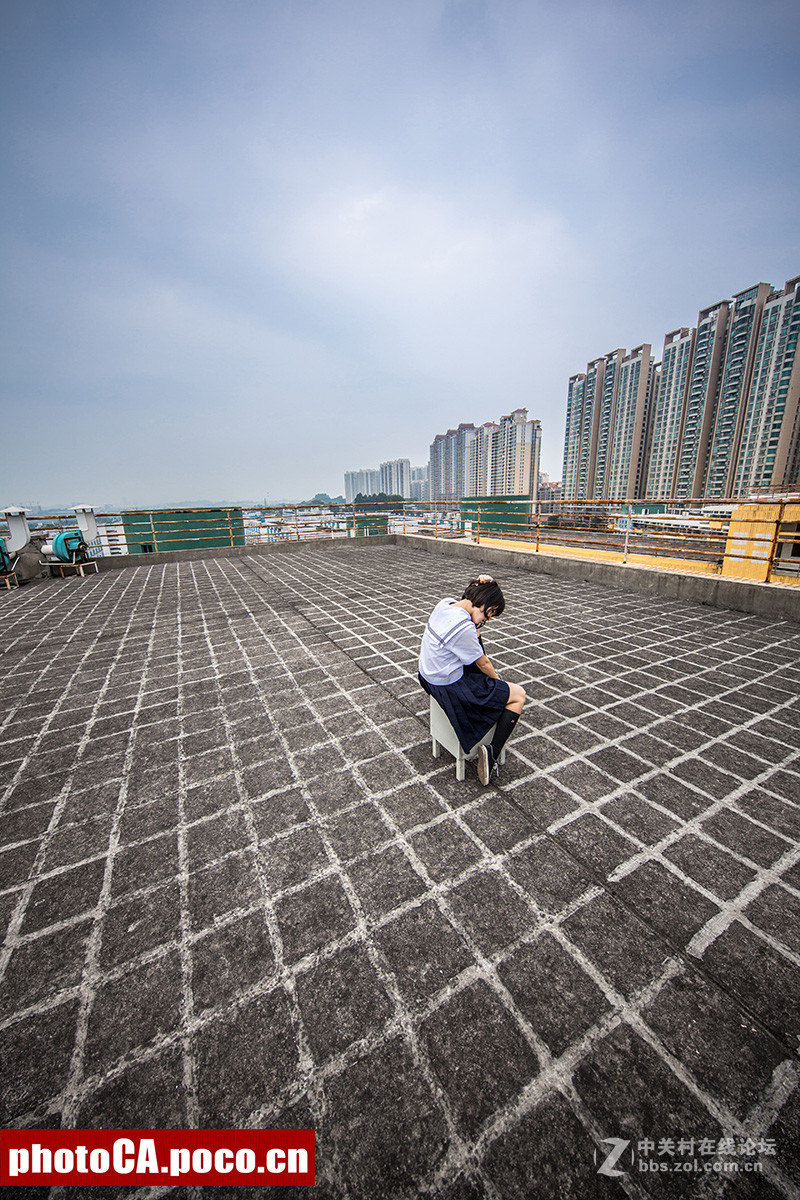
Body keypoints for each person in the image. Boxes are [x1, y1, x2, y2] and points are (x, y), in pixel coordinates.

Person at [418, 574, 526, 784]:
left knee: (476, 636)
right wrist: (499, 685)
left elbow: (467, 606)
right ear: (483, 602)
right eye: (491, 611)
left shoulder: (445, 604)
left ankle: (488, 747)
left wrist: (480, 586)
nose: (489, 618)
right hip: (448, 686)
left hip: (428, 676)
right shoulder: (464, 628)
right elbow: (484, 663)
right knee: (518, 695)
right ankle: (491, 754)